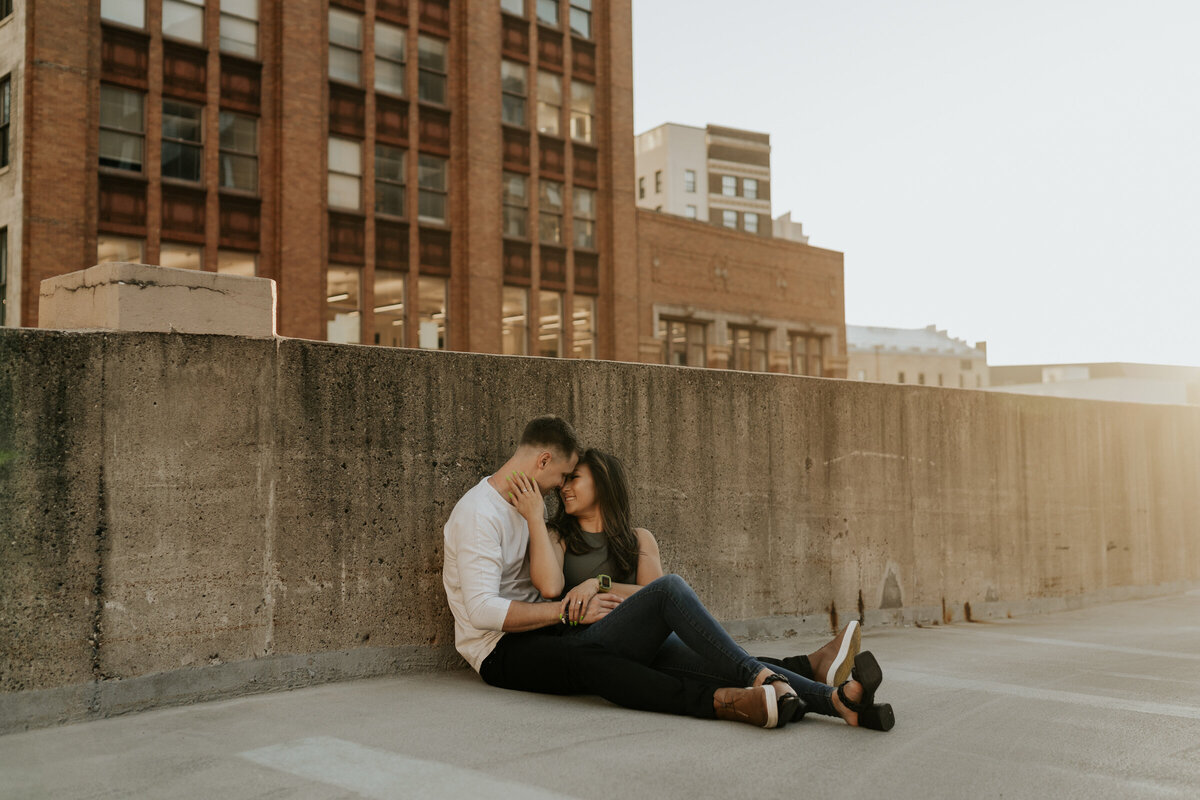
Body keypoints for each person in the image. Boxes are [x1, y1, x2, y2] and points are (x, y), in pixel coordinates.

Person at [443, 415, 882, 729]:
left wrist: (575, 603)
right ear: (542, 462)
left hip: (553, 631)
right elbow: (482, 611)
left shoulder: (528, 509)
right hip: (500, 651)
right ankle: (750, 690)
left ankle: (833, 700)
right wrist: (564, 612)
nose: (562, 487)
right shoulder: (478, 514)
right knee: (610, 655)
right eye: (561, 475)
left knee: (674, 652)